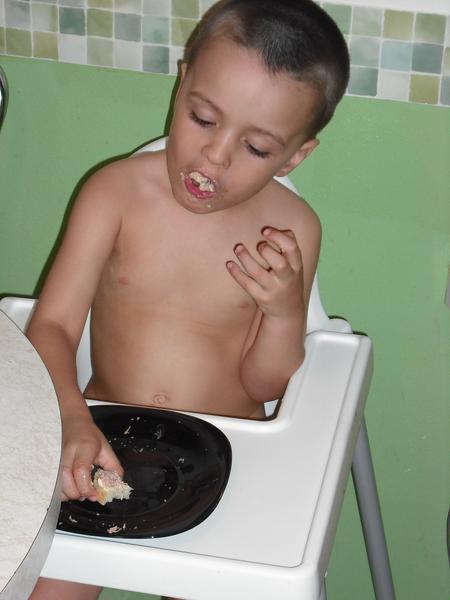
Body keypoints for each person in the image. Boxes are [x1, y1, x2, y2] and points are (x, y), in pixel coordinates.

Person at [27, 0, 349, 598]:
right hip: (102, 436)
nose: (215, 157)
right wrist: (70, 414)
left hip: (229, 454)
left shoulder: (291, 231)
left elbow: (265, 383)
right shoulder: (114, 194)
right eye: (203, 118)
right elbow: (52, 325)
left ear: (295, 155)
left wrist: (283, 313)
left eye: (257, 149)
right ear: (181, 87)